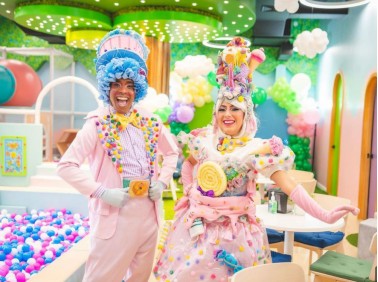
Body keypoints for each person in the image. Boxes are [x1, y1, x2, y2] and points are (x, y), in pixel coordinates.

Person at [153, 37, 359, 281]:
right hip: (197, 233)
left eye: (234, 109)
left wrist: (324, 215)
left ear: (246, 113)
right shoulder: (205, 141)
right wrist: (190, 191)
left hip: (237, 235)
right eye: (222, 108)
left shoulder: (257, 149)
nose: (227, 114)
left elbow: (290, 186)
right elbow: (188, 165)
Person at [57, 29, 179, 282]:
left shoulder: (150, 121)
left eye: (130, 85)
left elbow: (172, 153)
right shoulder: (96, 123)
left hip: (149, 213)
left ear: (138, 89)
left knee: (140, 278)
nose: (123, 91)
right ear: (107, 87)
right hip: (114, 216)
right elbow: (66, 166)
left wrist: (162, 182)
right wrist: (102, 192)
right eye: (117, 84)